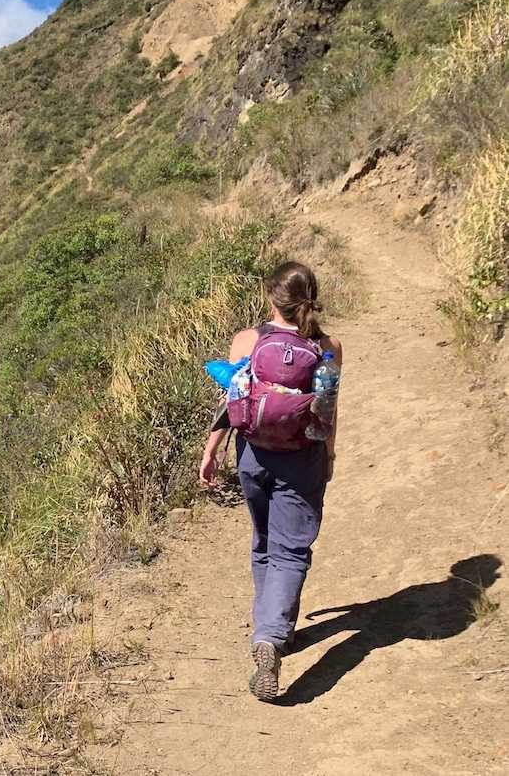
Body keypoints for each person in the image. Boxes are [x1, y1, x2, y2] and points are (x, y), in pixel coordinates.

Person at [198, 261, 341, 702]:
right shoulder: (328, 346)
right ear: (311, 297)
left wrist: (213, 447)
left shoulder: (248, 340)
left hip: (253, 455)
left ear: (270, 298)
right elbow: (327, 408)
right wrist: (329, 454)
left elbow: (233, 396)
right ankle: (270, 637)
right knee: (291, 548)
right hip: (302, 457)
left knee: (264, 540)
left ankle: (273, 629)